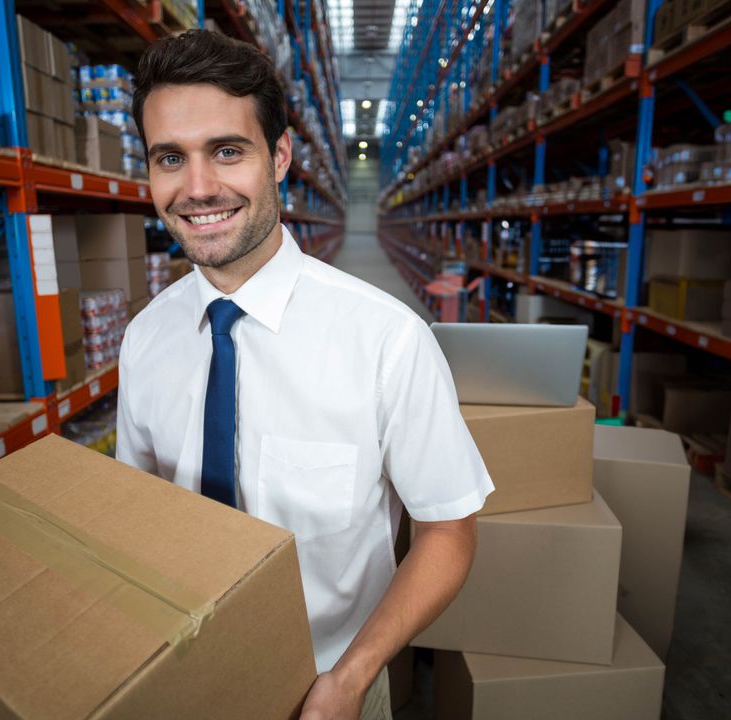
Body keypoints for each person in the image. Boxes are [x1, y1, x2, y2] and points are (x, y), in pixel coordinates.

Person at [116, 30, 493, 720]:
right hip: (174, 679)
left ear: (281, 156)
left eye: (227, 151)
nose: (197, 189)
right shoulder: (144, 341)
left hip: (326, 687)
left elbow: (448, 531)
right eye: (170, 158)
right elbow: (134, 514)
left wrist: (350, 679)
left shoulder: (387, 341)